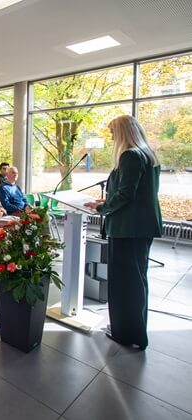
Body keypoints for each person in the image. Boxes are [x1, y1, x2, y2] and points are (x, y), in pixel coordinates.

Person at [85, 115, 162, 351]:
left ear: (123, 132)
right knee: (136, 280)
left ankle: (125, 333)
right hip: (138, 227)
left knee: (124, 283)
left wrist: (102, 207)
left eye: (112, 132)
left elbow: (126, 195)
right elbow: (133, 193)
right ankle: (134, 331)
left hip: (128, 228)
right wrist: (107, 200)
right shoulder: (146, 155)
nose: (110, 137)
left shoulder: (131, 155)